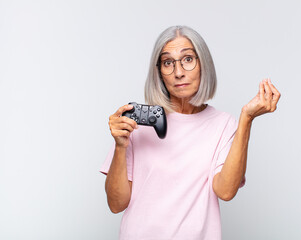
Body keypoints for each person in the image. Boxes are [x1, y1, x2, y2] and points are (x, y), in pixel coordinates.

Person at [100, 25, 281, 240]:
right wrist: (121, 146)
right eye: (168, 62)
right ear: (159, 72)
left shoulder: (222, 124)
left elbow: (225, 191)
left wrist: (246, 118)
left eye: (187, 59)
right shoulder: (137, 124)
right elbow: (116, 204)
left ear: (203, 64)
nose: (178, 72)